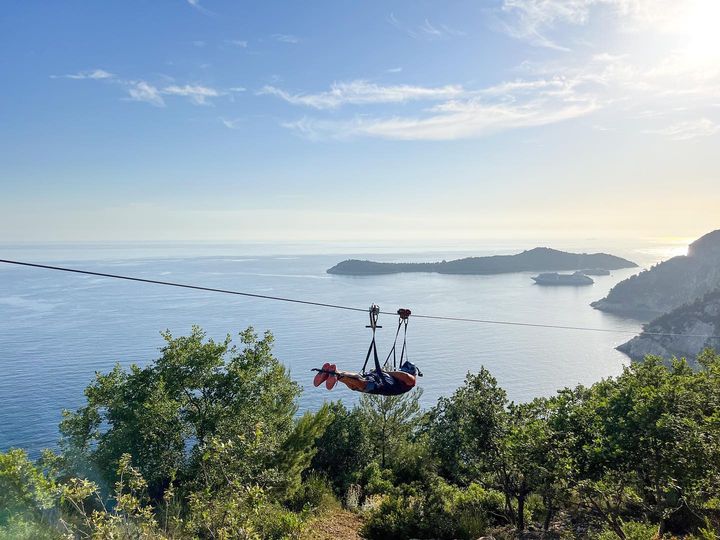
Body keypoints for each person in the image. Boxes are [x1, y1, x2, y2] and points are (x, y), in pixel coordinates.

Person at [313, 360, 420, 396]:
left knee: (357, 384)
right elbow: (404, 375)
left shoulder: (408, 381)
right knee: (361, 383)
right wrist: (383, 372)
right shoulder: (406, 381)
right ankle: (336, 374)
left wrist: (383, 372)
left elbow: (404, 375)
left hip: (380, 383)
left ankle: (335, 374)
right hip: (379, 384)